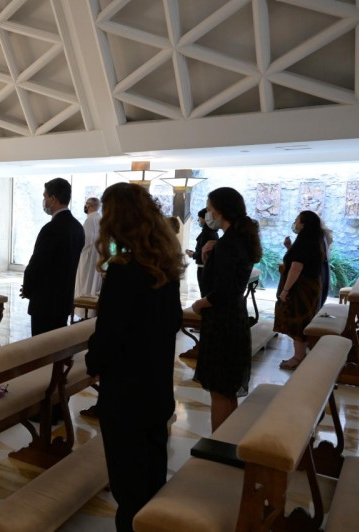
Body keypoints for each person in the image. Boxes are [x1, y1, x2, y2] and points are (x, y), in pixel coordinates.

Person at [85, 183, 184, 532]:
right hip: (157, 389)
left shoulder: (124, 270)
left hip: (126, 395)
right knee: (152, 476)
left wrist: (93, 363)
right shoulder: (164, 267)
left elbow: (109, 335)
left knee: (128, 486)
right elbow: (172, 322)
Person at [191, 187, 261, 432]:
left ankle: (218, 444)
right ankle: (227, 439)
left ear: (221, 211)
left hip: (222, 322)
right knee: (227, 388)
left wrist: (199, 304)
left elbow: (224, 291)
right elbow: (224, 279)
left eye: (210, 209)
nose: (207, 214)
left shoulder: (229, 243)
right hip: (233, 317)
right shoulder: (239, 238)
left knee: (220, 389)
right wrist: (208, 258)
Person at [21, 178, 85, 336]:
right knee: (57, 343)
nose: (44, 201)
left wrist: (27, 289)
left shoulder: (51, 229)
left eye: (45, 196)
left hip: (45, 303)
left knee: (41, 345)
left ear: (53, 199)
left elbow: (37, 264)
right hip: (64, 299)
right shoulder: (77, 227)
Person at [274, 210, 327, 369]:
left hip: (301, 290)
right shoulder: (313, 240)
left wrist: (285, 291)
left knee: (298, 322)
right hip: (310, 287)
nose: (295, 223)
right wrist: (290, 247)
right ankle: (300, 356)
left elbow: (296, 268)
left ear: (304, 224)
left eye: (297, 220)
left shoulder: (304, 243)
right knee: (302, 321)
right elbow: (300, 259)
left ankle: (298, 359)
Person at [74, 196, 103, 304]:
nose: (85, 206)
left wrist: (79, 253)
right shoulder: (100, 219)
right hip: (98, 256)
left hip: (88, 257)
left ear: (90, 205)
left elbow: (87, 240)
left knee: (84, 284)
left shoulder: (90, 219)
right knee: (94, 285)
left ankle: (82, 308)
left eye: (86, 204)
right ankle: (91, 309)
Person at [185, 208, 219, 296]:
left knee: (205, 293)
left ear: (205, 218)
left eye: (199, 218)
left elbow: (203, 253)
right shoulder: (213, 232)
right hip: (208, 267)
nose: (198, 220)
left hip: (203, 267)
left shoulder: (206, 233)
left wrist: (193, 254)